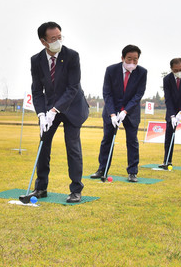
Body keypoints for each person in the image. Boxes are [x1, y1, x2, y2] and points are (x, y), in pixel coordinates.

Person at [27, 21, 89, 203]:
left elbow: (72, 87)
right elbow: (37, 90)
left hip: (73, 107)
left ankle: (76, 189)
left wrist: (55, 110)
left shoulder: (71, 56)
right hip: (48, 109)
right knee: (43, 145)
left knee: (72, 147)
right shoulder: (36, 60)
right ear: (43, 41)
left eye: (59, 37)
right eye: (53, 38)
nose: (57, 41)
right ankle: (40, 188)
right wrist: (41, 114)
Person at [90, 45, 147, 182]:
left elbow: (138, 94)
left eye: (135, 60)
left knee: (132, 141)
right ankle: (102, 169)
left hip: (131, 112)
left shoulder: (142, 72)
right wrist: (113, 114)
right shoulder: (111, 70)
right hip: (112, 111)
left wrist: (125, 111)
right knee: (106, 140)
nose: (132, 63)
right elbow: (107, 93)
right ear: (122, 58)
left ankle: (132, 172)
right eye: (129, 59)